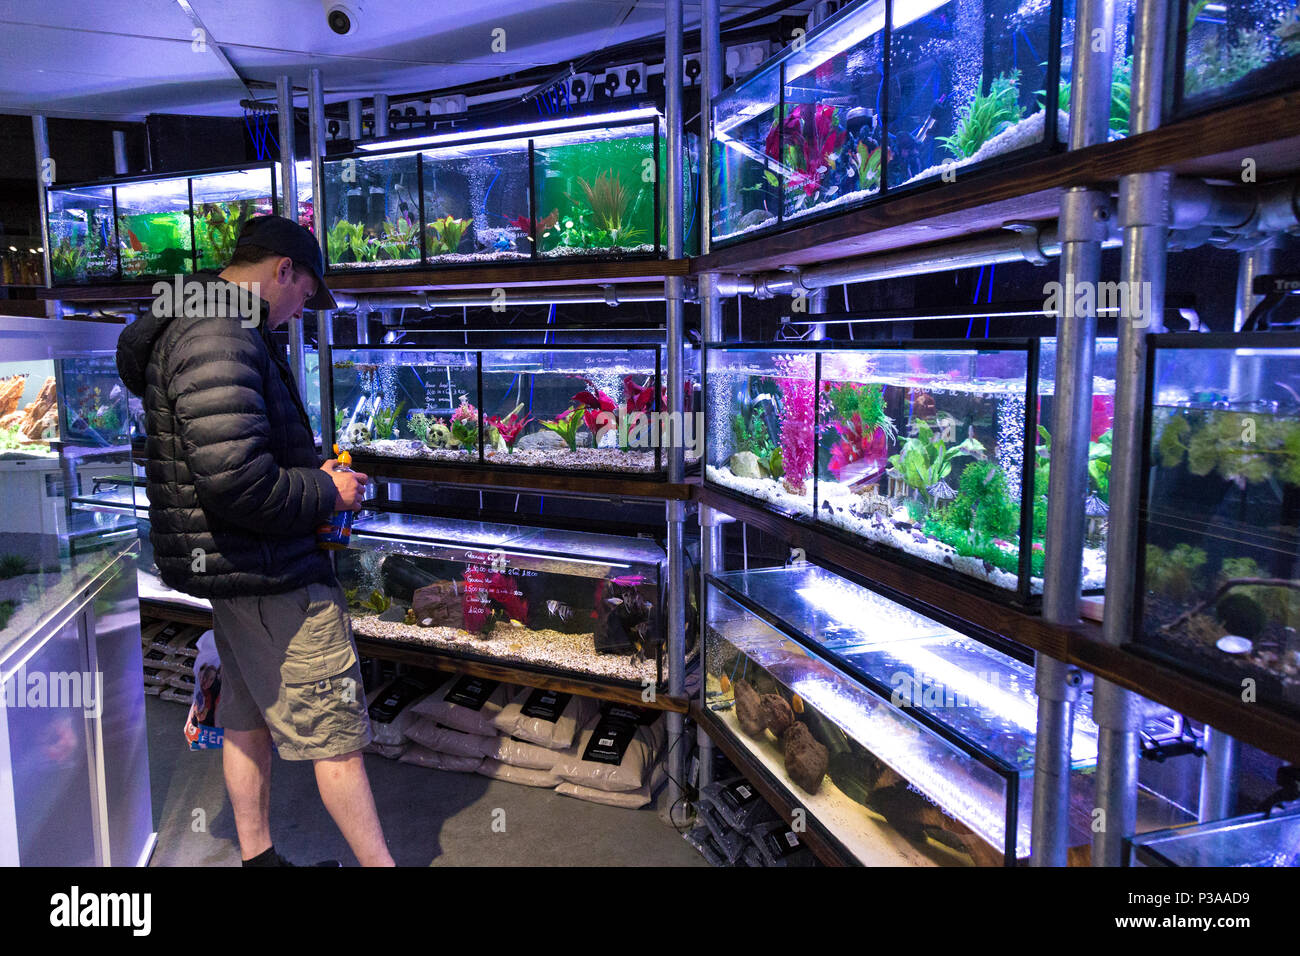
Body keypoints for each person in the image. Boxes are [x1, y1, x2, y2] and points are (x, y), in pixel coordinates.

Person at [116, 215, 394, 867]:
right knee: (336, 737)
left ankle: (258, 859)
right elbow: (235, 478)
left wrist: (308, 474)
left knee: (245, 717)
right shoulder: (219, 331)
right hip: (269, 573)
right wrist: (330, 492)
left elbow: (229, 455)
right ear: (283, 270)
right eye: (304, 296)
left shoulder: (202, 318)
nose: (300, 311)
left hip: (235, 568)